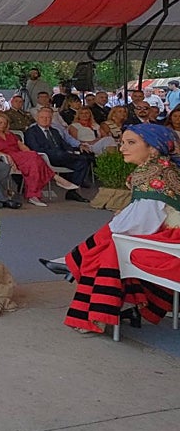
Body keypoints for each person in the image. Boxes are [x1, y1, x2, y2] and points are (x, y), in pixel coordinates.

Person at [40, 124, 180, 334]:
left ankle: (77, 272)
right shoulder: (159, 168)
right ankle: (77, 268)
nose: (123, 147)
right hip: (167, 237)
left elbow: (141, 222)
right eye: (122, 142)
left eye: (131, 143)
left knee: (110, 251)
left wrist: (119, 221)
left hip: (171, 247)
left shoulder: (153, 177)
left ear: (153, 148)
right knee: (112, 242)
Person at [0, 111, 79, 207]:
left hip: (20, 156)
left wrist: (29, 154)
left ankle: (34, 195)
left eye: (5, 123)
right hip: (6, 157)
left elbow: (22, 146)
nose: (3, 125)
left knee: (34, 163)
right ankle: (54, 179)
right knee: (34, 158)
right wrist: (7, 155)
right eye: (0, 123)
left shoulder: (10, 134)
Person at [23, 107, 92, 195]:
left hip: (62, 157)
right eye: (42, 117)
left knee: (83, 162)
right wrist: (58, 152)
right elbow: (35, 148)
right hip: (45, 158)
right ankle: (75, 158)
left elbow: (64, 145)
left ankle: (72, 192)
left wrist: (73, 150)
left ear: (51, 120)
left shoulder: (54, 131)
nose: (45, 120)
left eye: (48, 118)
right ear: (37, 118)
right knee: (61, 153)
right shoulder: (31, 132)